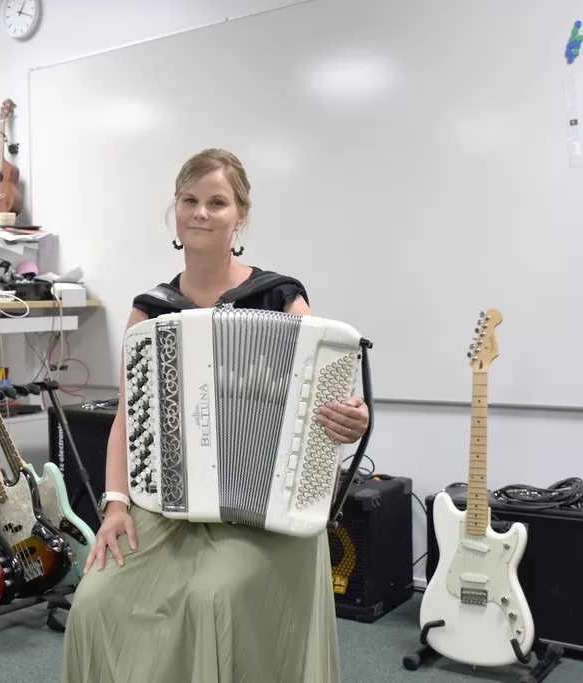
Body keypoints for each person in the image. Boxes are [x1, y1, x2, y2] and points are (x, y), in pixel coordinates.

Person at [59, 148, 370, 683]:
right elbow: (127, 418)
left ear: (240, 215)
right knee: (93, 600)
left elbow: (326, 400)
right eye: (190, 200)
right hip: (170, 505)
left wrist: (351, 418)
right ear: (176, 210)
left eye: (217, 202)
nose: (201, 212)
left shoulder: (279, 297)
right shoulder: (151, 310)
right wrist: (114, 506)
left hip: (264, 512)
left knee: (212, 596)